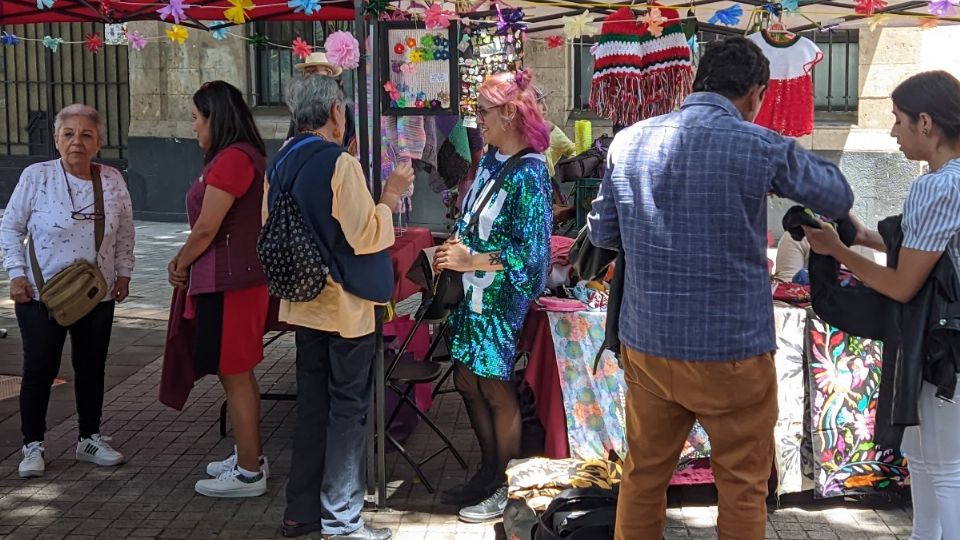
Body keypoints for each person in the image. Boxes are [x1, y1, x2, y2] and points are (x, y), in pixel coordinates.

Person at [587, 36, 854, 539]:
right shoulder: (759, 145)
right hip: (732, 352)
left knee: (643, 478)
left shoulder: (629, 140)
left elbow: (603, 233)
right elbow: (838, 194)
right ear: (756, 92)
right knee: (741, 486)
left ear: (696, 80)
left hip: (649, 346)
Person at [804, 70, 960, 540]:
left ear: (926, 123)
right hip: (944, 346)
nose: (893, 132)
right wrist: (844, 227)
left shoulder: (937, 187)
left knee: (944, 470)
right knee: (929, 464)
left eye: (898, 120)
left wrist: (837, 252)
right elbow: (905, 247)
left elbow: (903, 284)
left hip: (940, 350)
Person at [273, 74, 413, 540]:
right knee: (347, 413)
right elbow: (366, 235)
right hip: (345, 307)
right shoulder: (339, 164)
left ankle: (301, 514)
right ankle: (342, 520)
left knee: (313, 407)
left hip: (304, 302)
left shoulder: (282, 161)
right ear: (336, 112)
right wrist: (390, 198)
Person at [434, 69, 552, 523]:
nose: (476, 119)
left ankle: (505, 486)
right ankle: (488, 473)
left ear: (509, 113)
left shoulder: (531, 174)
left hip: (498, 298)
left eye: (482, 111)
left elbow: (535, 258)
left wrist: (472, 261)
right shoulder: (490, 160)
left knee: (495, 387)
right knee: (467, 380)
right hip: (471, 293)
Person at [1, 104, 135, 478]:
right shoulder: (36, 176)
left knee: (91, 367)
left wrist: (123, 273)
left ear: (99, 142)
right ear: (57, 139)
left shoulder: (111, 180)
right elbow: (11, 227)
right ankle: (32, 445)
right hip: (41, 295)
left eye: (86, 134)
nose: (77, 141)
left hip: (96, 294)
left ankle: (89, 437)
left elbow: (125, 231)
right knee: (38, 369)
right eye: (69, 134)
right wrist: (15, 273)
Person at [166, 81, 271, 498]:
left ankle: (249, 472)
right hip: (235, 280)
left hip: (232, 283)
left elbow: (207, 227)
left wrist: (180, 262)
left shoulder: (232, 160)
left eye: (196, 117)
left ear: (215, 118)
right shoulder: (242, 156)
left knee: (235, 373)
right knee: (237, 373)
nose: (193, 126)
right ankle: (249, 455)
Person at [286, 51, 357, 155]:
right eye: (307, 72)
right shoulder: (300, 106)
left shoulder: (344, 106)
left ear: (329, 73)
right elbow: (291, 140)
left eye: (314, 71)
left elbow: (353, 142)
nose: (309, 76)